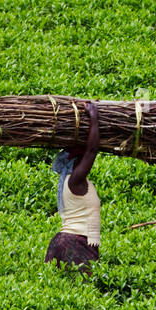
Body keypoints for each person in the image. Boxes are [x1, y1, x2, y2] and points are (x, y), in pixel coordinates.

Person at [46, 101, 101, 272]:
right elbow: (92, 151)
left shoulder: (72, 180)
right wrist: (94, 117)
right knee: (85, 291)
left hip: (65, 242)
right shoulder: (75, 179)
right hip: (75, 243)